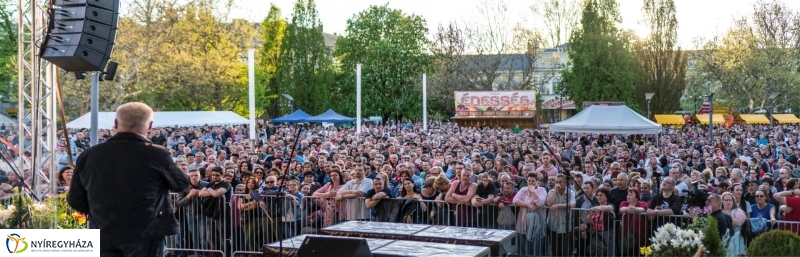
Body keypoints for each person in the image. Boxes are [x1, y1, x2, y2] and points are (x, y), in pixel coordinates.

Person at [67, 102, 190, 257]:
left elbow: (75, 199)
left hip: (103, 233)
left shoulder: (90, 155)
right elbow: (181, 183)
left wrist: (100, 213)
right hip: (145, 233)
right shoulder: (156, 154)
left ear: (116, 123)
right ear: (150, 125)